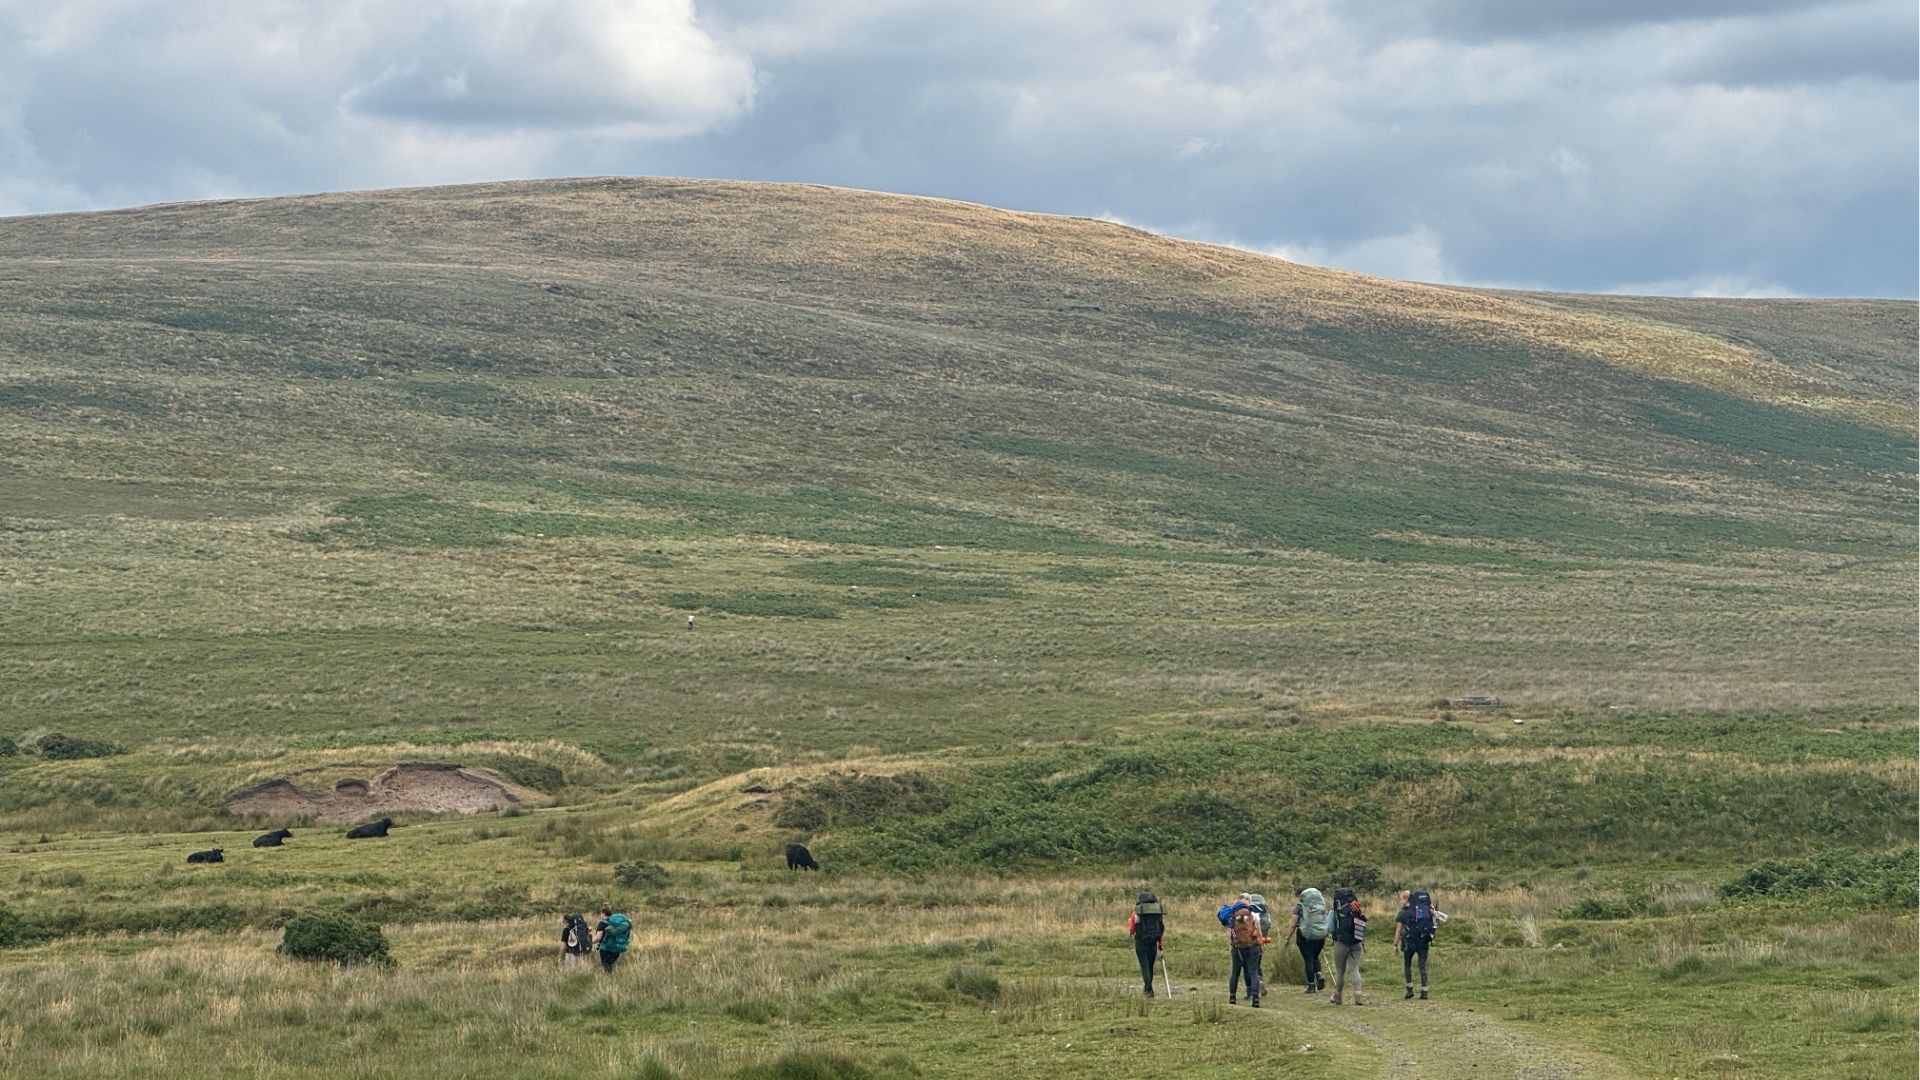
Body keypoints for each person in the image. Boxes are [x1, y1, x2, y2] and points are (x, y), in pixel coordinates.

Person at [1217, 895, 1267, 1006]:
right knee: (1253, 972)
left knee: (1235, 972)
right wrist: (1261, 945)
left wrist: (1232, 945)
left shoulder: (1233, 914)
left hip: (1237, 947)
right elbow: (1258, 931)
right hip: (1252, 946)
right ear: (1249, 902)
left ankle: (1232, 998)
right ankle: (1255, 999)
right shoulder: (1253, 913)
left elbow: (1230, 931)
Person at [1394, 889, 1441, 999]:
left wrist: (1395, 944)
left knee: (1407, 965)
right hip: (1423, 941)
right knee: (1422, 965)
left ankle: (1409, 989)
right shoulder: (1427, 911)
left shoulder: (1403, 912)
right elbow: (1436, 921)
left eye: (1401, 898)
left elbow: (1399, 930)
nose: (1400, 901)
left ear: (1406, 899)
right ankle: (1424, 991)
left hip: (1409, 942)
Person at [1288, 886, 1332, 993]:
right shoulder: (1321, 906)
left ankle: (1311, 985)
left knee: (1308, 959)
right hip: (1320, 936)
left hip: (1305, 936)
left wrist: (1287, 938)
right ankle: (1319, 975)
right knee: (1315, 957)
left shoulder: (1300, 907)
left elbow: (1294, 924)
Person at [1329, 887, 1367, 1005]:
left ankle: (1338, 996)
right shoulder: (1356, 908)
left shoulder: (1335, 911)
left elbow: (1330, 928)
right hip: (1356, 943)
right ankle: (1358, 995)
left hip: (1340, 943)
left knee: (1340, 971)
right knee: (1355, 970)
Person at [1127, 891, 1167, 997]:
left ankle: (1148, 989)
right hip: (1153, 943)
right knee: (1149, 966)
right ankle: (1148, 989)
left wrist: (1131, 934)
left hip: (1141, 943)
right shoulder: (1157, 912)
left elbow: (1131, 928)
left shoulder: (1137, 913)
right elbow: (1161, 928)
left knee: (1144, 967)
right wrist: (1159, 942)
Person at [593, 904, 631, 972]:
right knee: (611, 966)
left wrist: (590, 942)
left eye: (600, 913)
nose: (600, 915)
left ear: (603, 913)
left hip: (606, 948)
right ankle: (611, 980)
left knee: (606, 967)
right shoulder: (616, 923)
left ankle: (607, 981)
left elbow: (598, 938)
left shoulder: (602, 923)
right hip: (617, 948)